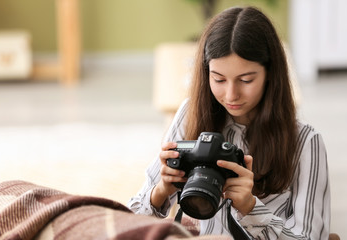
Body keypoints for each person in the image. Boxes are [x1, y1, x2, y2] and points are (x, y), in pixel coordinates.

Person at [128, 6, 330, 239]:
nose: (231, 94)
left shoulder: (305, 143)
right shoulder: (190, 114)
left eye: (245, 80)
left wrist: (251, 208)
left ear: (271, 74)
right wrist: (161, 191)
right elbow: (131, 216)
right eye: (219, 79)